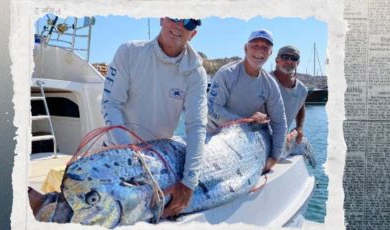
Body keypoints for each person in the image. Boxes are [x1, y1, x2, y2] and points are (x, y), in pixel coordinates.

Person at [101, 17, 207, 218]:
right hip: (115, 152)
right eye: (174, 16)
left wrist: (189, 181)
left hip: (158, 165)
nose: (179, 25)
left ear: (193, 33)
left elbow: (196, 126)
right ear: (161, 19)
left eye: (189, 23)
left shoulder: (197, 74)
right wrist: (130, 154)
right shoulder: (129, 51)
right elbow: (111, 103)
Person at [207, 29, 287, 174]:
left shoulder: (270, 84)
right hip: (217, 142)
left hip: (249, 146)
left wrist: (275, 156)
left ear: (270, 53)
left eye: (265, 47)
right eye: (255, 45)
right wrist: (246, 121)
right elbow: (212, 109)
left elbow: (279, 122)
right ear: (245, 48)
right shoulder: (226, 74)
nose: (259, 51)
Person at [270, 45, 308, 145]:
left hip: (281, 141)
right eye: (285, 57)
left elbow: (300, 107)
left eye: (294, 58)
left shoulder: (302, 89)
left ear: (298, 63)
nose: (289, 61)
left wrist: (299, 127)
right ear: (277, 60)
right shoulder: (264, 80)